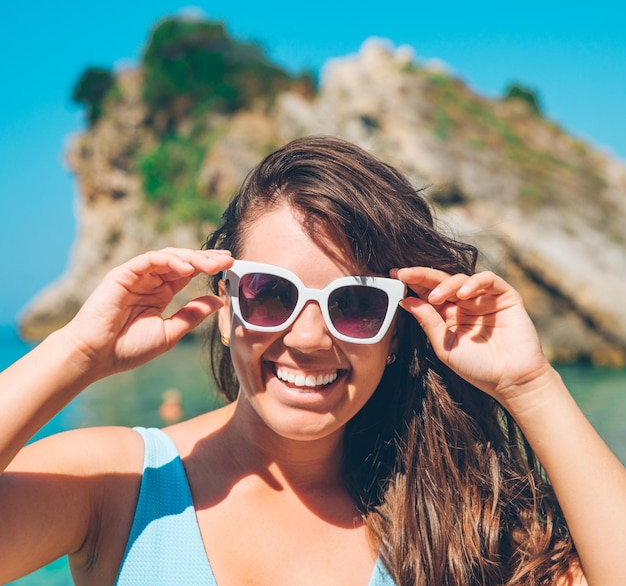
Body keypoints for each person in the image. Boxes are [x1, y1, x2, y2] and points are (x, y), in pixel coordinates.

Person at [1, 136, 624, 586]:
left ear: (395, 331)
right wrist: (75, 354)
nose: (309, 338)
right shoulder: (116, 486)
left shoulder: (459, 520)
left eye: (354, 304)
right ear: (225, 309)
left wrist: (532, 387)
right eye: (271, 294)